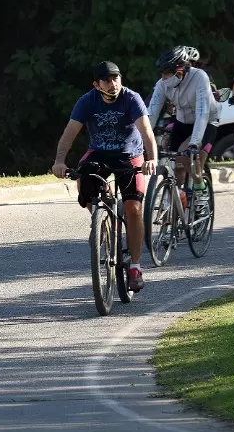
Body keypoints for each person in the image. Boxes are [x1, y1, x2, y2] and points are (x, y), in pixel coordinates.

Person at [51, 61, 158, 293]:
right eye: (107, 80)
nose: (113, 84)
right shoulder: (87, 101)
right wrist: (59, 161)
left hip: (130, 155)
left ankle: (135, 267)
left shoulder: (131, 98)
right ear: (96, 84)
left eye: (116, 78)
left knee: (133, 208)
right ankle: (100, 219)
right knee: (82, 175)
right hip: (99, 152)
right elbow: (69, 133)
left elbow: (146, 131)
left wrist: (151, 158)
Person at [147, 46, 216, 191]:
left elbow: (202, 113)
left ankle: (200, 188)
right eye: (162, 73)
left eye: (168, 72)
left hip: (206, 121)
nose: (164, 77)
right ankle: (176, 202)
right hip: (182, 122)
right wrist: (138, 142)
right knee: (176, 166)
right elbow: (151, 114)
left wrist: (194, 143)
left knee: (189, 157)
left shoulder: (199, 77)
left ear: (181, 69)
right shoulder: (162, 84)